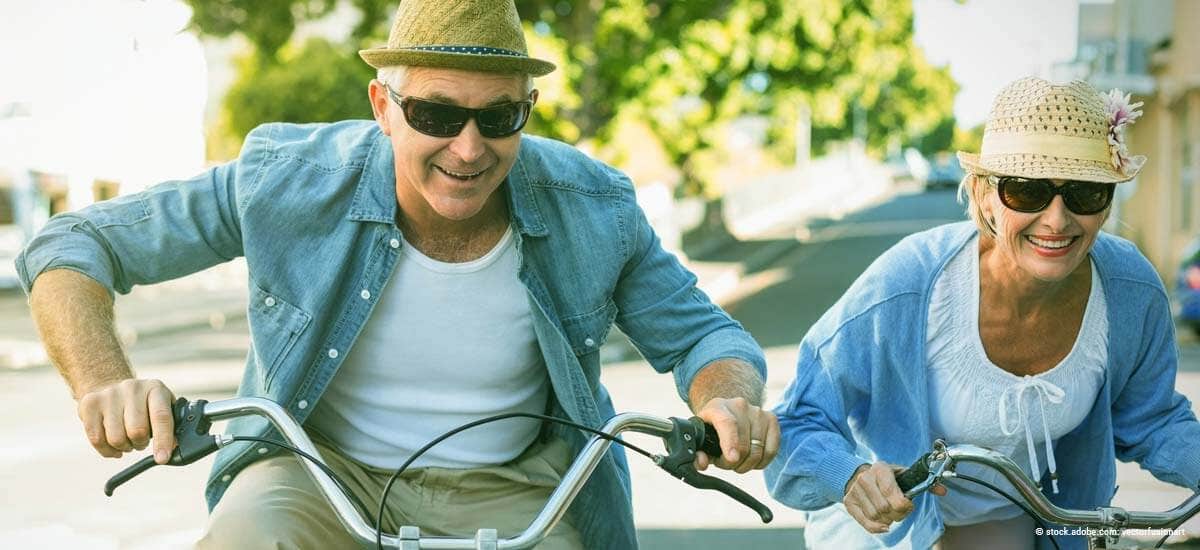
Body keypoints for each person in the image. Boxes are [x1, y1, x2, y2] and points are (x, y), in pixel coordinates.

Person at [15, 1, 779, 548]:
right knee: (246, 535)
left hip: (519, 489)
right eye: (439, 116)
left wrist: (728, 404)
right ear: (385, 106)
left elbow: (705, 337)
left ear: (528, 111)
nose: (470, 148)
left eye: (500, 117)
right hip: (319, 477)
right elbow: (74, 243)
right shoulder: (286, 180)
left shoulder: (593, 205)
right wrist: (102, 382)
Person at [763, 76, 1200, 550]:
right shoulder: (907, 285)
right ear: (984, 194)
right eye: (1027, 191)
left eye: (1085, 192)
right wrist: (851, 477)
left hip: (1011, 529)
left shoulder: (1130, 289)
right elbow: (798, 419)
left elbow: (1153, 419)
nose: (1057, 219)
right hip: (887, 532)